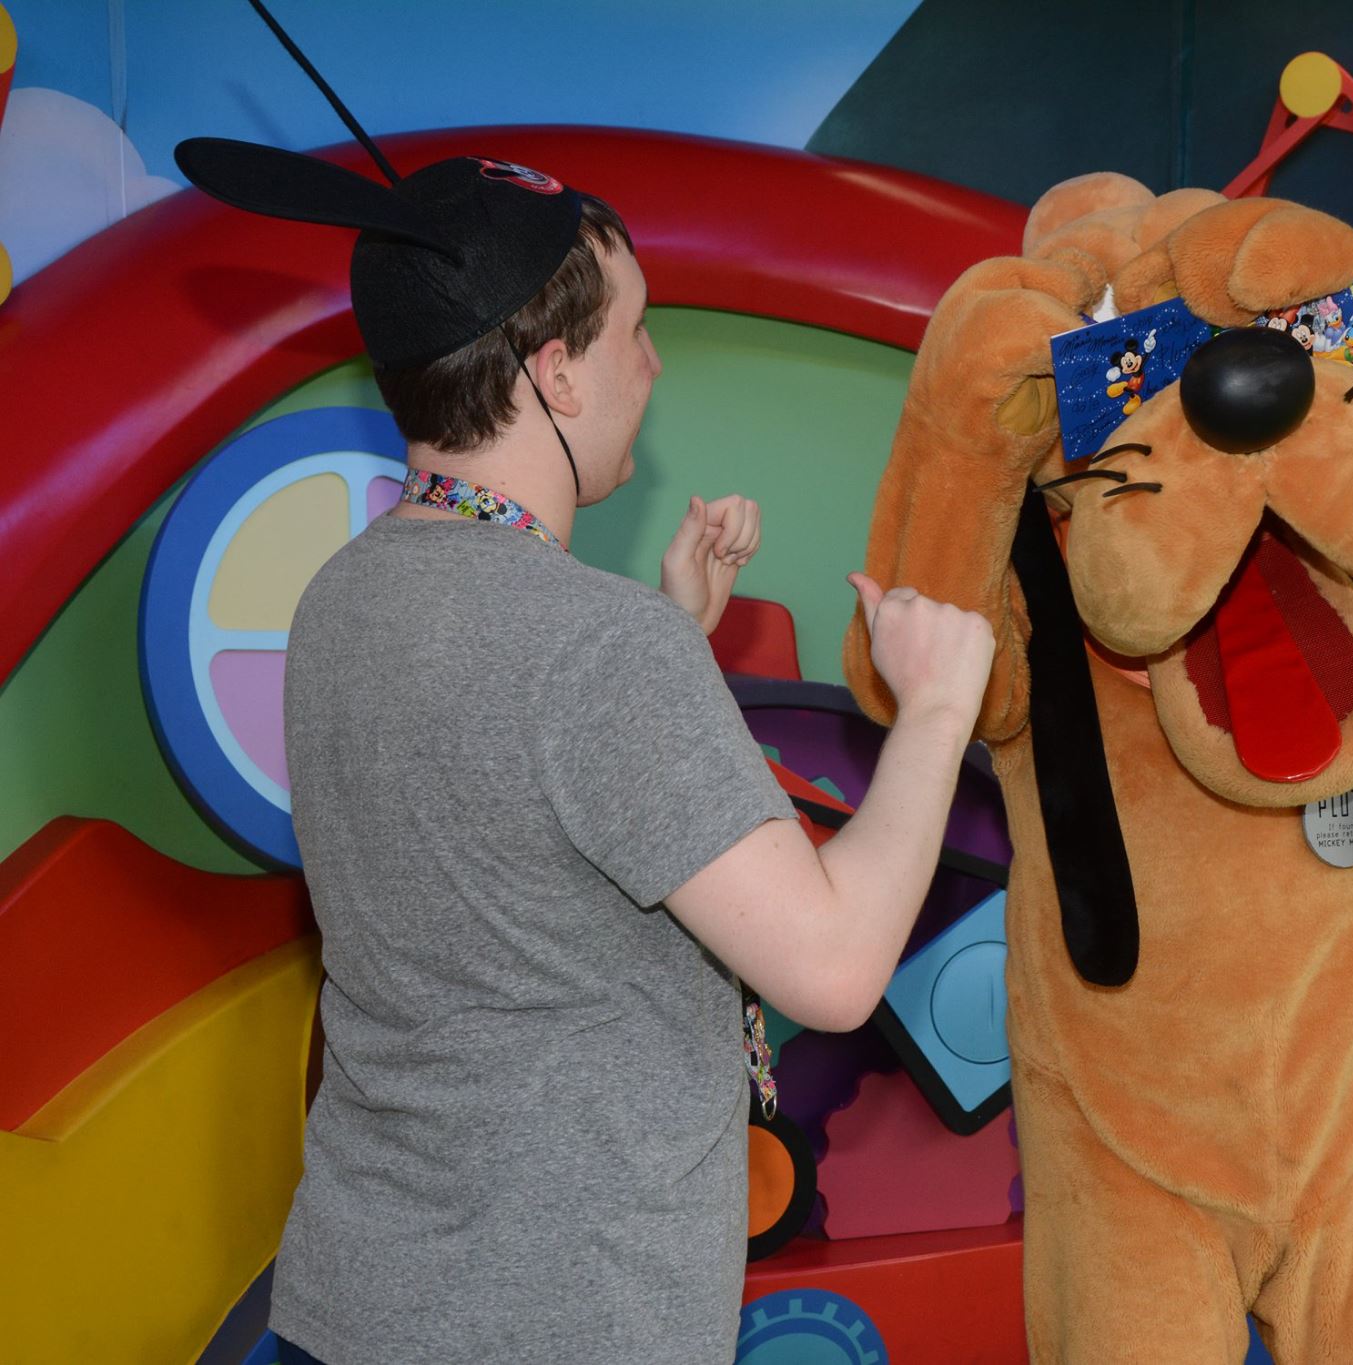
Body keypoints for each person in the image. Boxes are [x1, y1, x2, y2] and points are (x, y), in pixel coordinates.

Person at [178, 133, 992, 1365]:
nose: (653, 367)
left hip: (357, 1308)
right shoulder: (595, 653)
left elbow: (510, 838)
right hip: (561, 1322)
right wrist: (934, 710)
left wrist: (671, 638)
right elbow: (831, 967)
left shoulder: (338, 602)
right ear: (554, 374)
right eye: (636, 332)